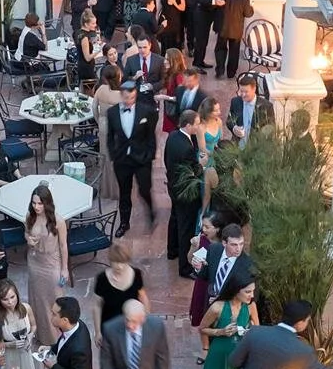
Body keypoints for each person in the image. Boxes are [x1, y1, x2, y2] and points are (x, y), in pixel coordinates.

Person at [196, 279, 259, 369]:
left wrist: (251, 331)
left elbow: (257, 327)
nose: (252, 295)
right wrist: (221, 331)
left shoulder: (251, 307)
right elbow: (202, 328)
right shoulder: (217, 307)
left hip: (240, 360)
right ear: (237, 290)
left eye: (253, 291)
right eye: (248, 291)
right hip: (218, 358)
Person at [107, 79, 158, 238]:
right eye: (127, 98)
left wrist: (150, 154)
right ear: (121, 96)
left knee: (144, 189)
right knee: (124, 192)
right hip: (122, 160)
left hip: (142, 158)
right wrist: (113, 154)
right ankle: (124, 223)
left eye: (132, 98)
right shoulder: (112, 112)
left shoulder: (146, 111)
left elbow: (151, 136)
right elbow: (110, 136)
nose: (129, 101)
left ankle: (150, 212)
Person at [25, 183, 70, 345]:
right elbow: (26, 233)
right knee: (37, 300)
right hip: (34, 263)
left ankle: (57, 337)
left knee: (54, 300)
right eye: (34, 203)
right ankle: (41, 334)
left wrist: (64, 269)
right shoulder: (30, 217)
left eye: (40, 203)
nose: (36, 206)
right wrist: (28, 239)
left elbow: (64, 245)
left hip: (52, 264)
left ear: (47, 203)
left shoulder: (58, 221)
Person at [165, 109, 204, 278]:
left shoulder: (172, 136)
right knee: (185, 228)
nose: (198, 127)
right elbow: (192, 172)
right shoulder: (187, 149)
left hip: (173, 188)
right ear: (188, 125)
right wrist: (201, 164)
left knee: (174, 219)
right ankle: (184, 267)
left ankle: (171, 251)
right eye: (196, 124)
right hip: (185, 193)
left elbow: (166, 160)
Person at [91, 239, 147, 341]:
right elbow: (97, 306)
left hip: (132, 325)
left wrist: (146, 322)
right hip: (110, 326)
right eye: (115, 262)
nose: (119, 266)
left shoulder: (137, 274)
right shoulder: (102, 279)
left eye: (122, 262)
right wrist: (98, 332)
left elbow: (143, 298)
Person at [198, 221, 253, 307]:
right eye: (234, 245)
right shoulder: (213, 250)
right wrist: (198, 267)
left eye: (241, 244)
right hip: (209, 305)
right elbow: (205, 275)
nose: (238, 249)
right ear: (224, 243)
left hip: (230, 311)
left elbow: (248, 296)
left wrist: (222, 300)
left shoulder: (247, 265)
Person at [92, 63, 122, 201]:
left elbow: (94, 109)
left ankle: (106, 189)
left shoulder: (101, 89)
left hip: (104, 127)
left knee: (104, 157)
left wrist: (100, 122)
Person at [215, 0, 255, 81]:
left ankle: (220, 70)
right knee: (234, 51)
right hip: (236, 30)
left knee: (220, 49)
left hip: (223, 28)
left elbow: (215, 8)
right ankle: (231, 73)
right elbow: (248, 14)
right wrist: (252, 6)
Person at [192, 0, 223, 72]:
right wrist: (214, 1)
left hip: (206, 15)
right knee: (201, 40)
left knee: (204, 40)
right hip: (201, 16)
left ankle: (200, 61)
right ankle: (197, 64)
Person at [227, 73, 273, 145]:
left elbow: (271, 128)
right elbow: (229, 119)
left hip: (256, 147)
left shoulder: (267, 106)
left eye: (246, 91)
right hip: (237, 145)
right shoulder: (235, 102)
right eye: (241, 91)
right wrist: (234, 128)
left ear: (254, 89)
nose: (243, 94)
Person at [121, 30, 164, 95]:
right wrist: (134, 77)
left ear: (150, 45)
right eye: (140, 47)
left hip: (153, 95)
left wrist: (152, 86)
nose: (142, 50)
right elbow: (124, 79)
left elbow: (163, 80)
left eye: (145, 47)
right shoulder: (131, 60)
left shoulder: (159, 60)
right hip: (136, 95)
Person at [160, 46, 186, 132]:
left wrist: (164, 97)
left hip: (175, 112)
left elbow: (181, 98)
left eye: (167, 59)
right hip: (171, 111)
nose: (164, 62)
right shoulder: (172, 74)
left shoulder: (178, 76)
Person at [77, 11, 100, 90]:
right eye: (93, 23)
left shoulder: (79, 33)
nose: (95, 25)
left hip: (81, 64)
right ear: (86, 24)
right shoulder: (85, 37)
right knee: (90, 90)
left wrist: (92, 42)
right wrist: (98, 50)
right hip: (86, 68)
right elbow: (87, 58)